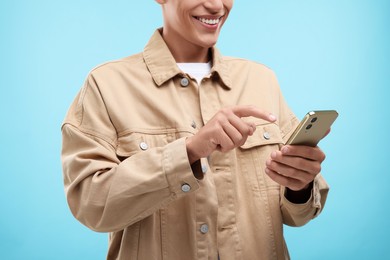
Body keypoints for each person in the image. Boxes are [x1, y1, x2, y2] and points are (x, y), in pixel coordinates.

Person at [61, 0, 329, 259]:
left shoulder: (262, 79)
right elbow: (91, 206)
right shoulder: (106, 85)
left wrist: (300, 186)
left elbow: (298, 214)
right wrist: (188, 153)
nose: (216, 5)